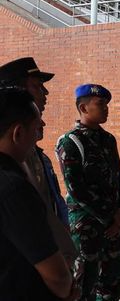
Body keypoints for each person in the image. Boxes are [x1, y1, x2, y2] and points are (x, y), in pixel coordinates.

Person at [56, 84, 120, 301]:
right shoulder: (70, 142)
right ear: (83, 108)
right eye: (100, 104)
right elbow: (76, 189)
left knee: (113, 284)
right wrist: (111, 218)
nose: (106, 108)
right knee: (84, 287)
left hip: (114, 226)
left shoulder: (108, 140)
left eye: (107, 104)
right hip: (88, 228)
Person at [0, 57, 76, 265]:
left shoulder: (34, 152)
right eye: (36, 86)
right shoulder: (11, 161)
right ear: (16, 91)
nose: (46, 93)